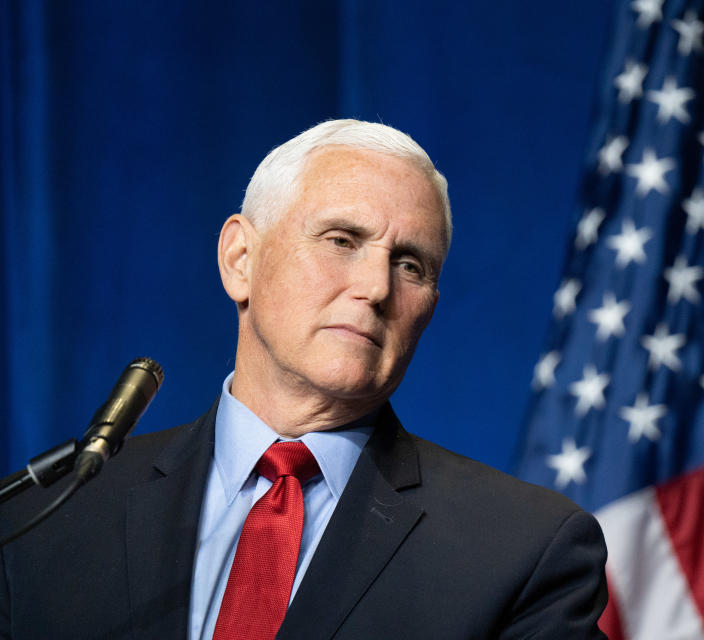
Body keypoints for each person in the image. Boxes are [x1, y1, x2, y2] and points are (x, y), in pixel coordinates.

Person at [0, 119, 608, 639]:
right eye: (342, 240)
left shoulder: (523, 550)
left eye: (410, 265)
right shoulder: (47, 519)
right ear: (241, 259)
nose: (375, 288)